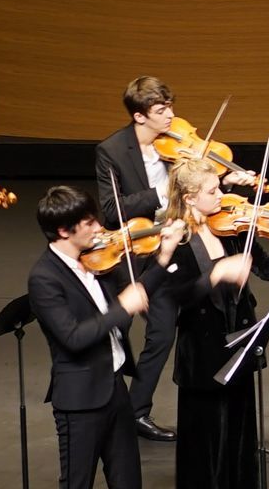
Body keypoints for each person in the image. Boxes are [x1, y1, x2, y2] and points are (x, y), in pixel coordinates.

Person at [28, 185, 187, 489]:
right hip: (79, 402)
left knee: (128, 488)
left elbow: (136, 289)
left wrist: (162, 257)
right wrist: (122, 308)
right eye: (89, 224)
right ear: (63, 231)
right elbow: (75, 338)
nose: (100, 229)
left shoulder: (96, 261)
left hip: (114, 390)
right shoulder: (44, 278)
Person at [156, 158, 269, 489]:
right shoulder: (177, 240)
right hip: (202, 349)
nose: (221, 196)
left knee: (238, 434)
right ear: (190, 199)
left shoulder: (231, 229)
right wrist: (216, 275)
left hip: (240, 338)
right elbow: (174, 297)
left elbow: (268, 270)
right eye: (212, 192)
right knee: (205, 440)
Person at [94, 76, 254, 443]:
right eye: (160, 110)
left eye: (170, 108)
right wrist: (163, 190)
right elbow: (110, 209)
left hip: (177, 247)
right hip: (136, 246)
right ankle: (108, 410)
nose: (170, 117)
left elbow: (201, 189)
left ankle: (137, 412)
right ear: (139, 116)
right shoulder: (111, 151)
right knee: (117, 332)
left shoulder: (179, 146)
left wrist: (230, 181)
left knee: (162, 332)